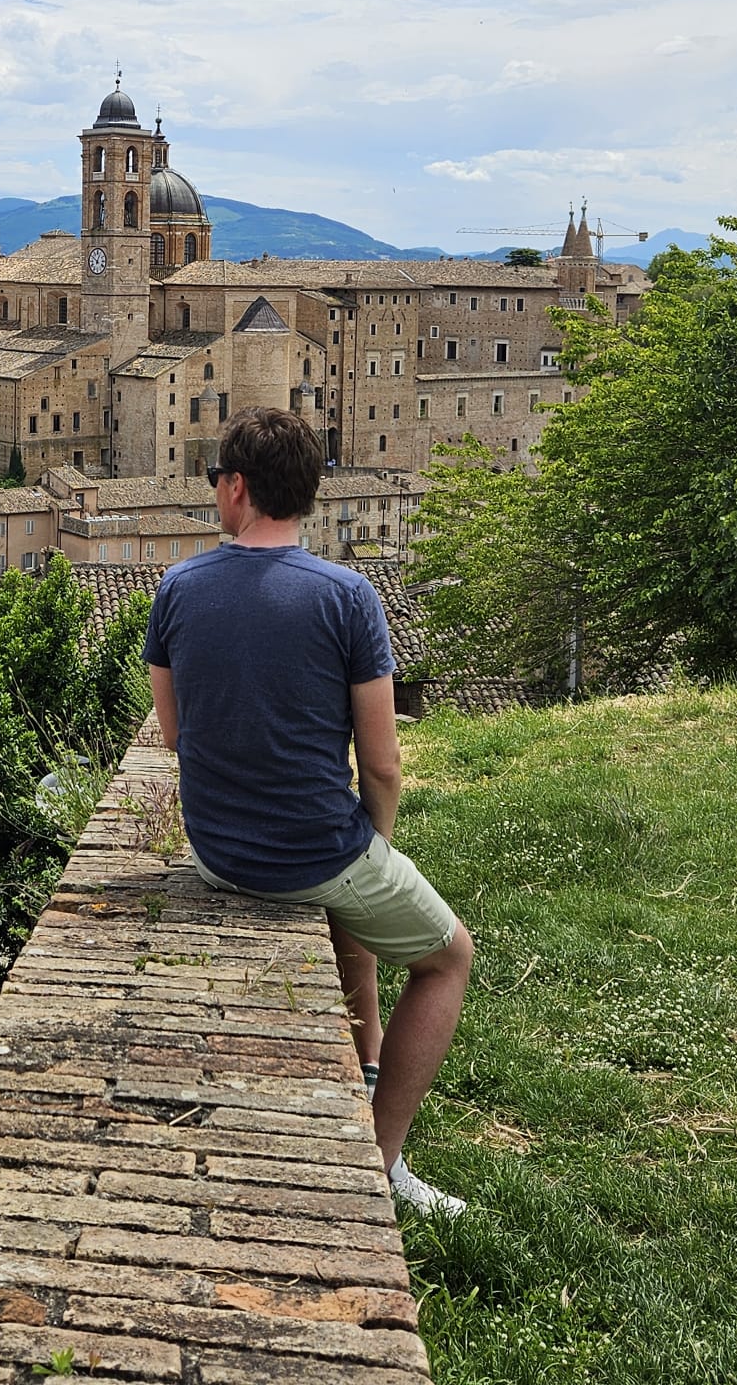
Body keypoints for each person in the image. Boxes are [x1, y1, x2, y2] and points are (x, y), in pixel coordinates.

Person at [143, 406, 473, 1216]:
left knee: (349, 907)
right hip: (310, 852)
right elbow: (384, 765)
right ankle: (382, 1162)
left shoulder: (178, 589)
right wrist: (375, 846)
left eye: (218, 479)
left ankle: (360, 1062)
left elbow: (176, 733)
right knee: (450, 958)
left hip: (216, 853)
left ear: (239, 490)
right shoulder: (348, 597)